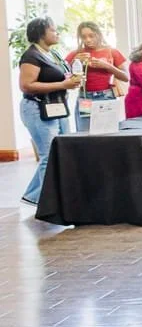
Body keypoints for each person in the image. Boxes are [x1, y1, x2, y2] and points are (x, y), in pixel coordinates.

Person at [18, 16, 81, 206]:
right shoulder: (31, 56)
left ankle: (34, 196)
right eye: (53, 30)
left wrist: (70, 81)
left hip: (57, 107)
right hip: (38, 108)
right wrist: (63, 84)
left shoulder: (52, 54)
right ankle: (50, 203)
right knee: (49, 155)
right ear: (41, 34)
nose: (57, 33)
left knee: (60, 151)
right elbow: (26, 85)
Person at [65, 21, 129, 133]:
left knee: (107, 133)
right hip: (85, 98)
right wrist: (75, 62)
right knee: (85, 134)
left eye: (91, 35)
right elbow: (62, 74)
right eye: (84, 37)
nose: (88, 40)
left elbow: (126, 77)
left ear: (98, 34)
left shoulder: (111, 51)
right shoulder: (77, 53)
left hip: (106, 97)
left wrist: (107, 66)